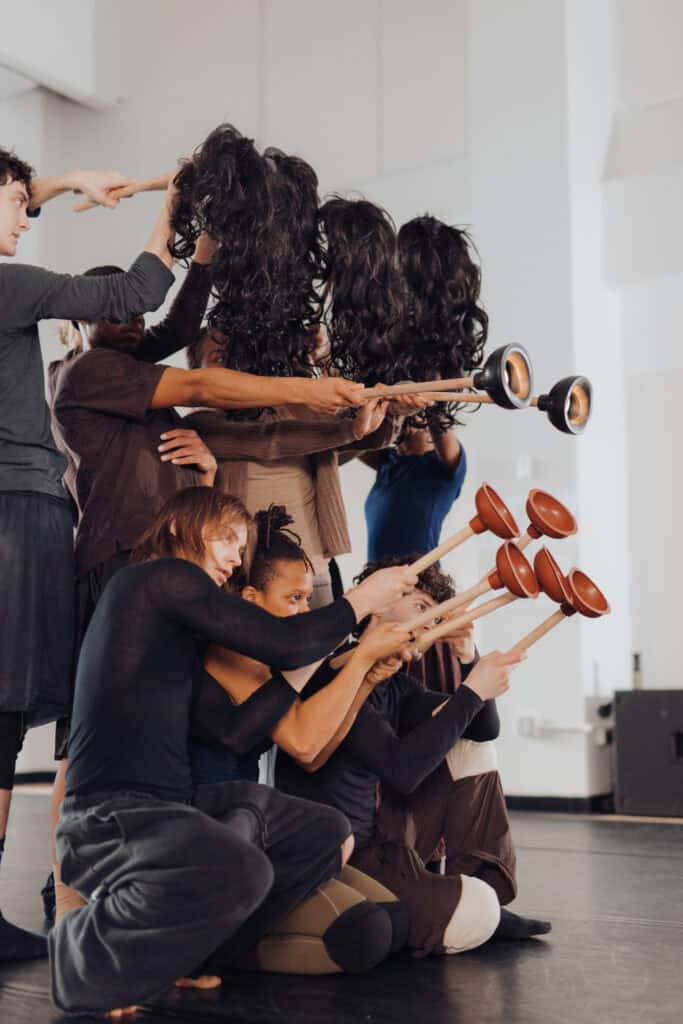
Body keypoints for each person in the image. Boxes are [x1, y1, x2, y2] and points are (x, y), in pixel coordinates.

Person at [49, 486, 417, 1016]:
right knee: (244, 868)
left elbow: (235, 732)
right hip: (114, 814)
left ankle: (196, 957)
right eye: (226, 539)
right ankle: (80, 953)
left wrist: (343, 662)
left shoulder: (171, 635)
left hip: (172, 807)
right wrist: (363, 599)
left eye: (240, 548)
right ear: (177, 527)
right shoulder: (155, 578)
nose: (233, 558)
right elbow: (286, 643)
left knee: (323, 832)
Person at [0, 147, 176, 962]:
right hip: (17, 510)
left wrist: (67, 183)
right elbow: (133, 292)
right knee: (4, 712)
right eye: (17, 204)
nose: (27, 217)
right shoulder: (10, 285)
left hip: (18, 506)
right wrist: (173, 209)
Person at [276, 558, 551, 957]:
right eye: (421, 607)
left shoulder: (398, 685)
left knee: (471, 748)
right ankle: (470, 903)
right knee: (471, 913)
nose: (428, 624)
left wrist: (468, 657)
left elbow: (481, 730)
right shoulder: (336, 673)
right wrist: (472, 691)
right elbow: (401, 771)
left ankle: (479, 891)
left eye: (434, 615)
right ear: (382, 601)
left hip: (383, 839)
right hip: (342, 854)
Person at [188, 504, 414, 974]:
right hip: (217, 835)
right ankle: (214, 947)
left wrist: (366, 678)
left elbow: (316, 754)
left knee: (394, 919)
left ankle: (237, 936)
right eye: (293, 599)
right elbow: (304, 743)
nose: (306, 612)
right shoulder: (231, 654)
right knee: (366, 933)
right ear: (250, 599)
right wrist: (359, 659)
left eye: (307, 599)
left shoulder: (267, 660)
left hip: (255, 826)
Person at [362, 417, 467, 562]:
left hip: (419, 574)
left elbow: (438, 415)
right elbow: (346, 440)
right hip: (378, 574)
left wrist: (424, 406)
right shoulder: (388, 461)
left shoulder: (441, 465)